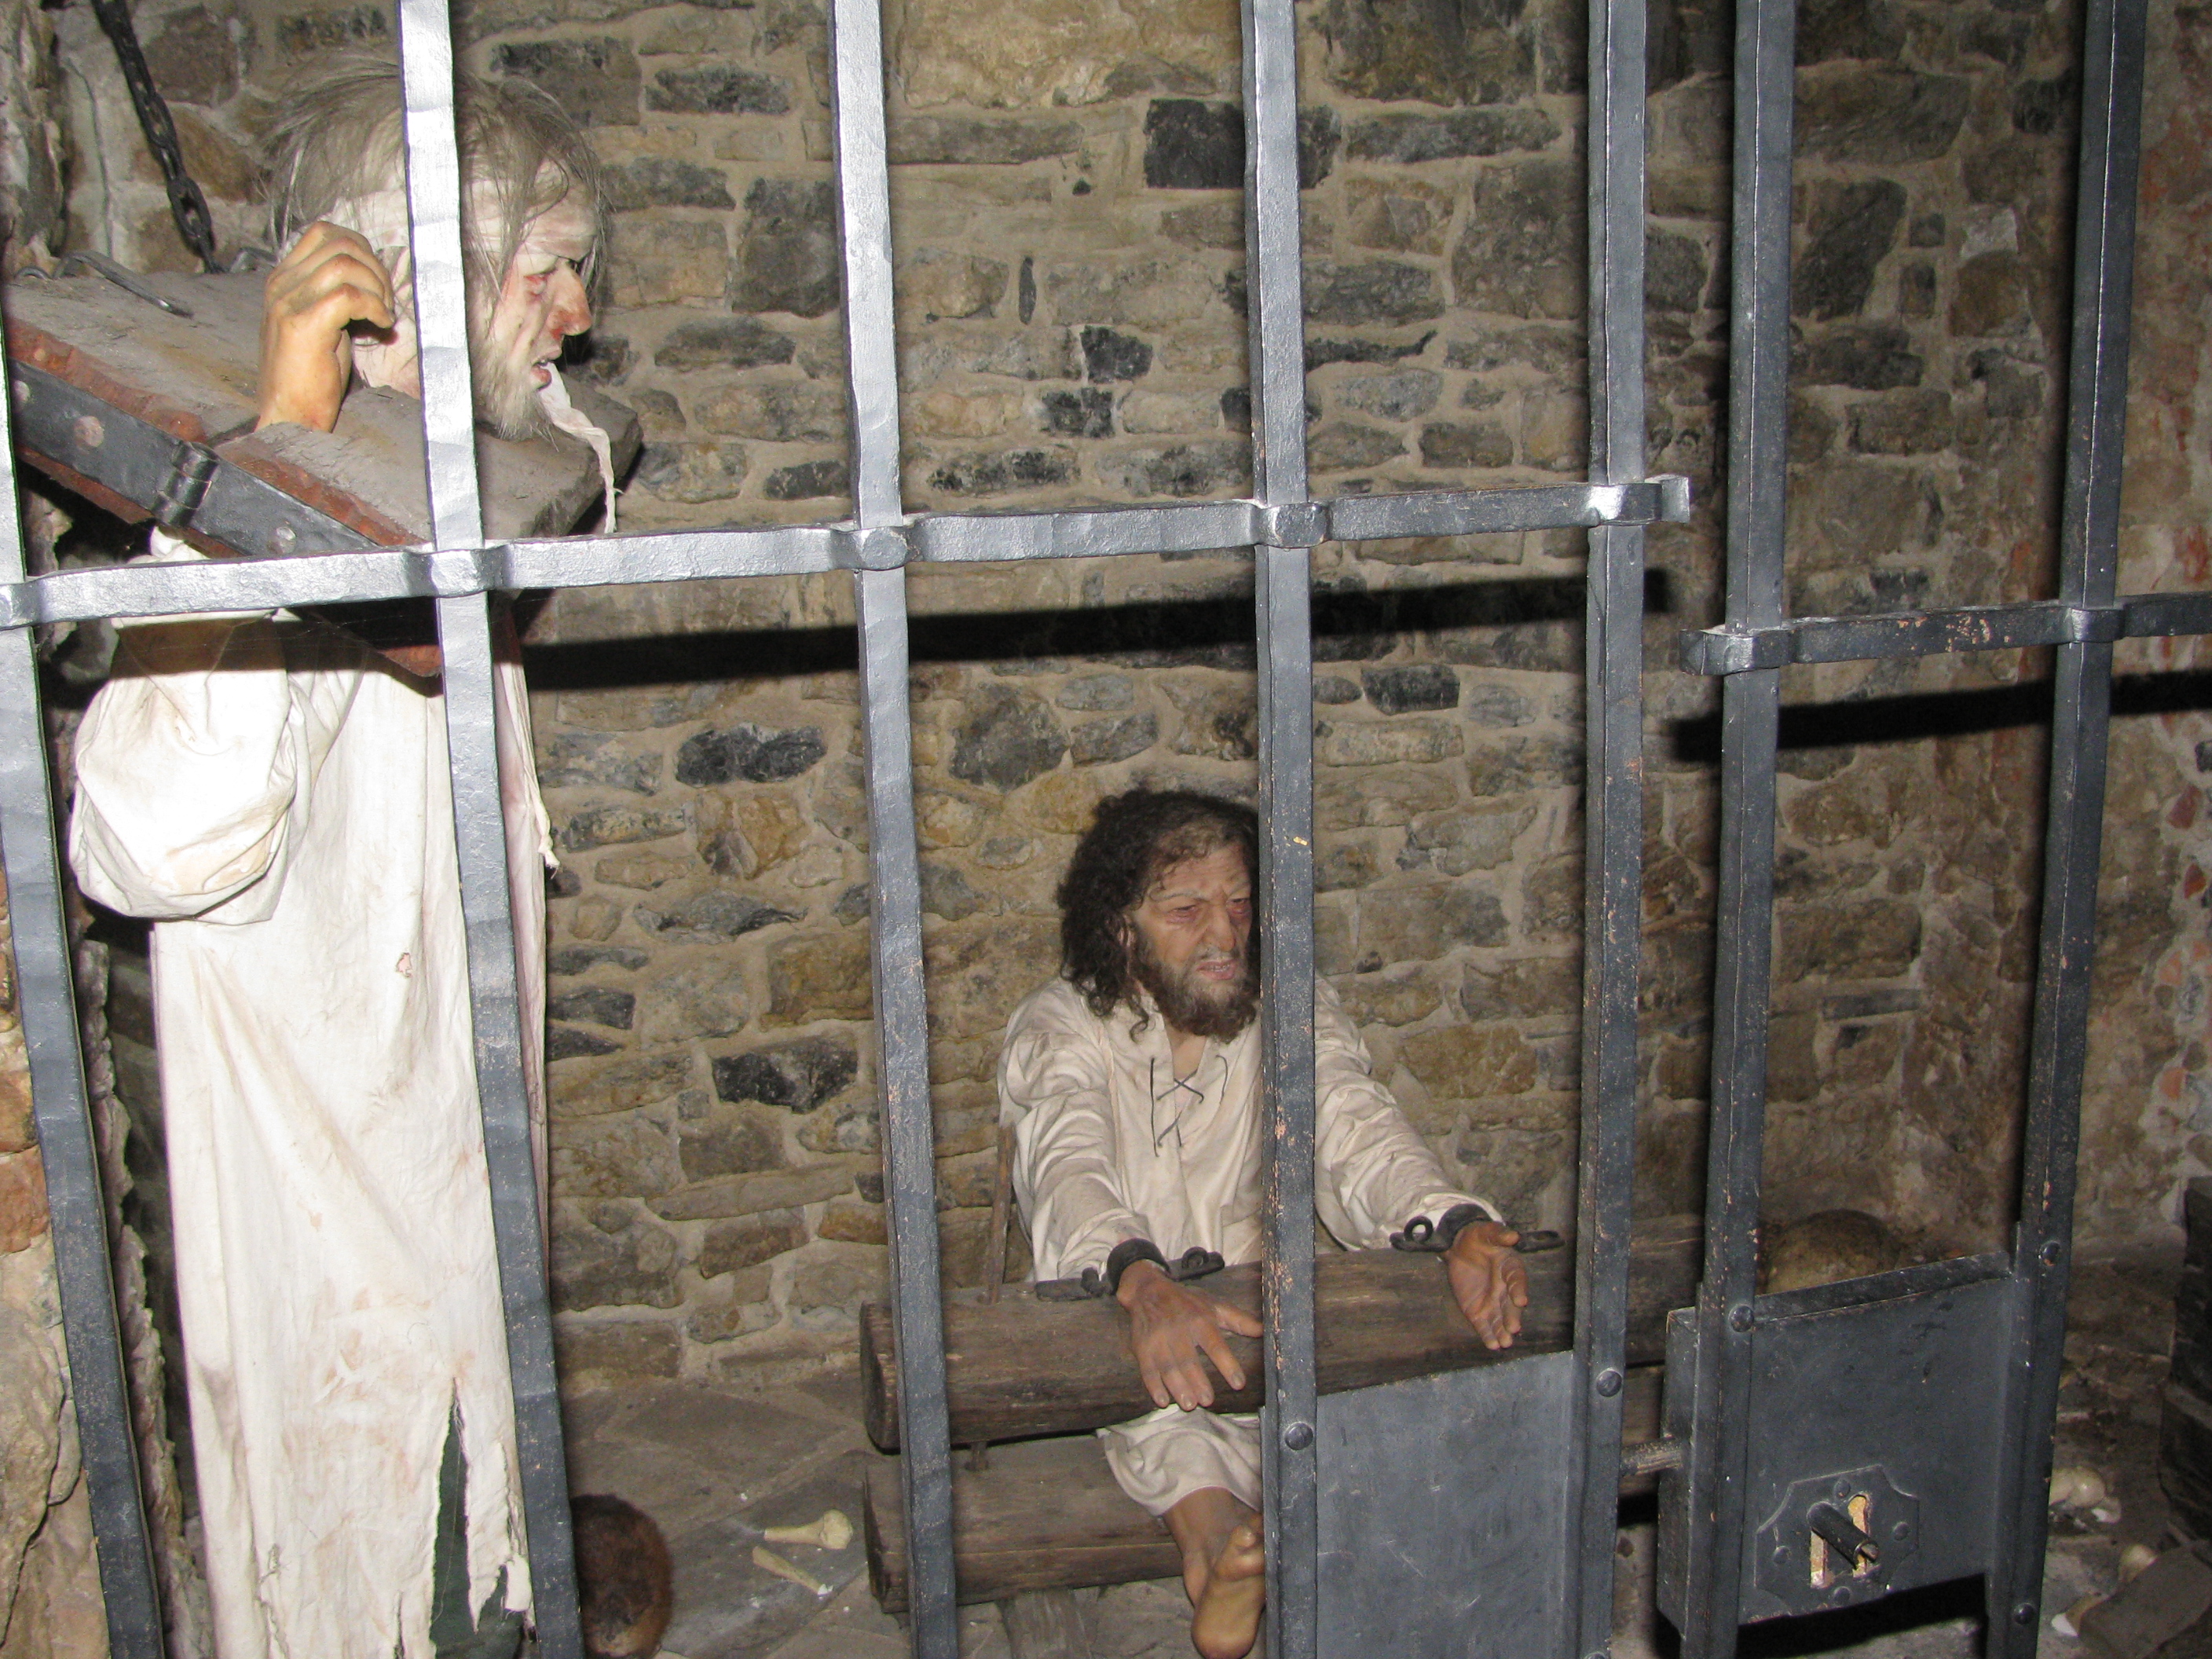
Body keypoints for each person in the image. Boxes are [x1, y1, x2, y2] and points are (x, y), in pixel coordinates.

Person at [68, 60, 609, 1659]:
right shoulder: (283, 533)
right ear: (412, 276)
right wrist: (276, 450)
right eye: (546, 269)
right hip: (356, 1297)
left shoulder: (442, 498)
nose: (578, 316)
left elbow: (557, 431)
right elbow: (141, 839)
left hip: (456, 1246)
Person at [999, 788, 1530, 1659]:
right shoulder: (1060, 1026)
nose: (1224, 933)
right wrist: (1140, 1281)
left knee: (1335, 1378)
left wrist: (1453, 1221)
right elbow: (1066, 1168)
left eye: (1240, 903)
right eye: (1186, 910)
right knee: (1163, 1406)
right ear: (1122, 928)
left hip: (1258, 1315)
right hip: (1121, 1295)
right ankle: (1217, 1547)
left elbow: (1351, 1123)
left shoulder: (1284, 1002)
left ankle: (1232, 1552)